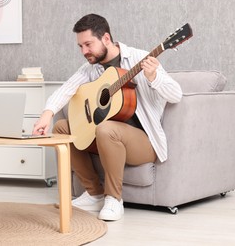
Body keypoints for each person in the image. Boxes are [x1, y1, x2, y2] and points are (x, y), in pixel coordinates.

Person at [32, 14, 182, 221]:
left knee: (106, 128)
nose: (84, 51)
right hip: (108, 138)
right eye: (80, 46)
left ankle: (113, 199)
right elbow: (66, 89)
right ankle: (94, 194)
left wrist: (153, 77)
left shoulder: (139, 58)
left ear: (106, 38)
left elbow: (176, 94)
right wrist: (46, 115)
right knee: (61, 128)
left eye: (88, 44)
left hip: (143, 143)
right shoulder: (91, 68)